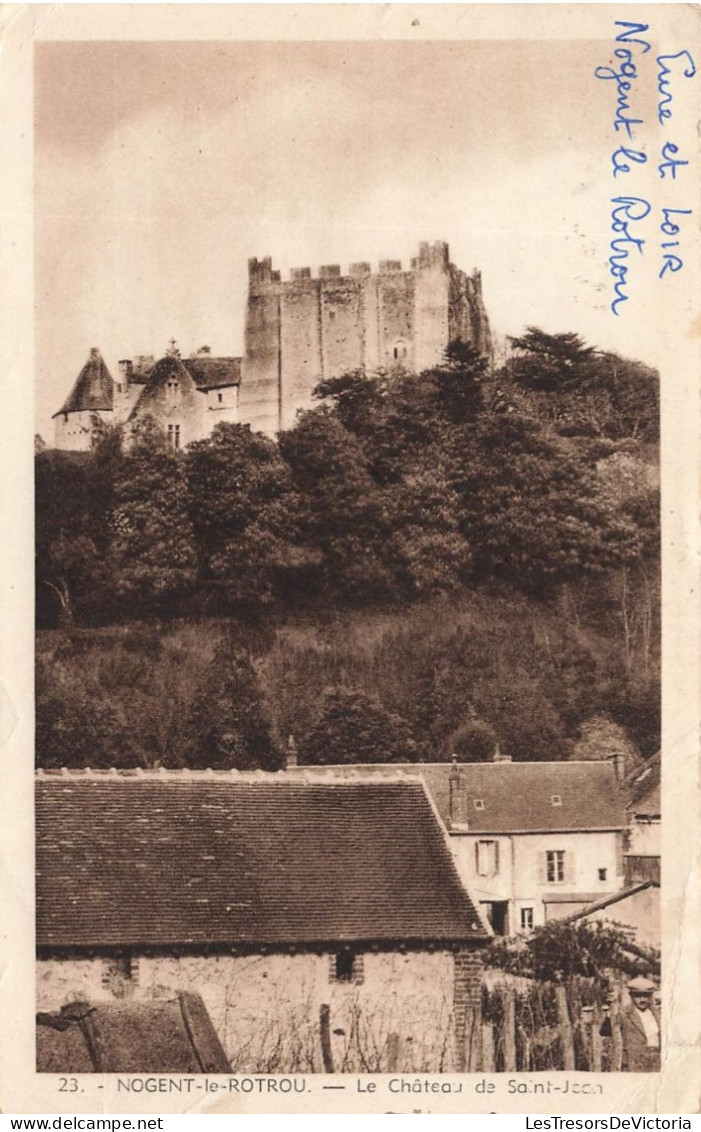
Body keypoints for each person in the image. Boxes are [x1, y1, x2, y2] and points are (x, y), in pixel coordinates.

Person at [619, 976, 661, 1072]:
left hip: (656, 1062)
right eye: (638, 996)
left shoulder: (658, 1014)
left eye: (646, 996)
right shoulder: (624, 1014)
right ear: (631, 996)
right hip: (634, 1063)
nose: (642, 1000)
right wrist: (610, 1012)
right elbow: (605, 1031)